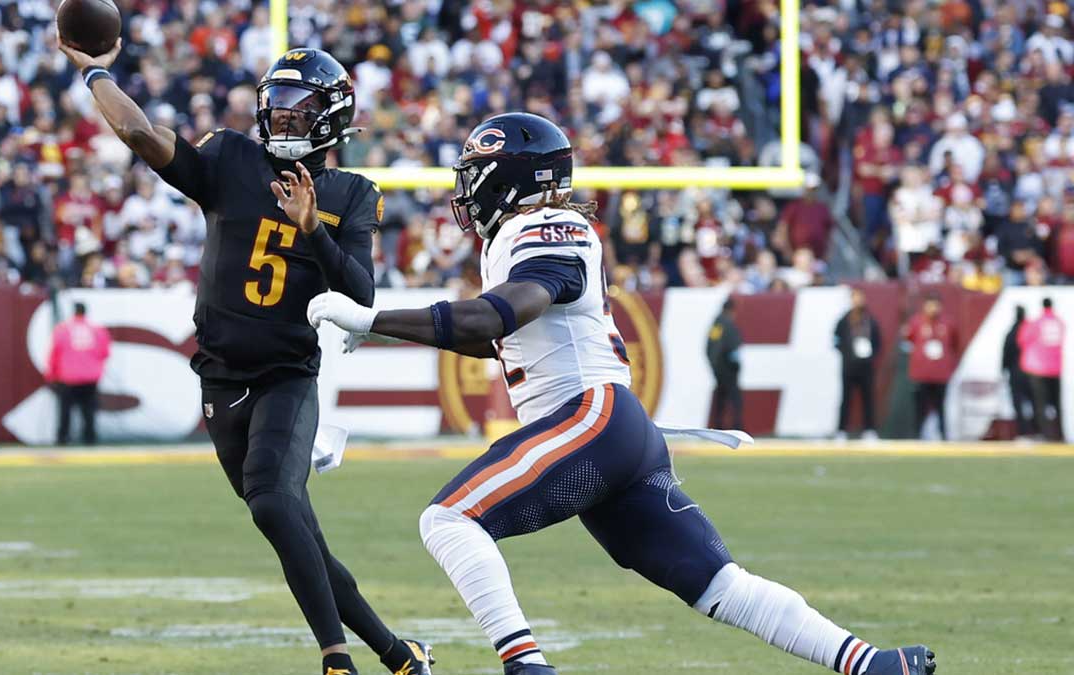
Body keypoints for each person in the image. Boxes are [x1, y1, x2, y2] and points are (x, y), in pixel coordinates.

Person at [308, 113, 936, 675]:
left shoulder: (546, 226)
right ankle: (869, 663)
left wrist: (373, 316)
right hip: (612, 432)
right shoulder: (532, 234)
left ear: (511, 179)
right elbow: (491, 338)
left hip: (590, 418)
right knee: (719, 585)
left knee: (447, 520)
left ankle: (527, 667)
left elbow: (493, 319)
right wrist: (387, 327)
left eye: (477, 175)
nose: (465, 191)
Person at [57, 40, 432, 675]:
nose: (283, 119)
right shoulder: (230, 157)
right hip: (221, 377)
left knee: (272, 503)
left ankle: (337, 661)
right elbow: (140, 133)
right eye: (277, 106)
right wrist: (93, 70)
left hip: (287, 376)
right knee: (296, 532)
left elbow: (361, 295)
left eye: (298, 108)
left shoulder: (351, 192)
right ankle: (402, 657)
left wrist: (313, 227)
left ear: (333, 116)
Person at [46, 302, 111, 445]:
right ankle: (90, 438)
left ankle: (63, 438)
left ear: (74, 312)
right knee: (88, 410)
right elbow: (105, 353)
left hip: (68, 376)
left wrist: (51, 374)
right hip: (90, 376)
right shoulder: (98, 330)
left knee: (65, 410)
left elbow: (55, 353)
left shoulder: (62, 329)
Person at [904, 295, 959, 440]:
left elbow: (954, 343)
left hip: (941, 373)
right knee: (919, 407)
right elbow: (907, 340)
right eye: (930, 305)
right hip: (921, 373)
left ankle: (943, 435)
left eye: (935, 305)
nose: (933, 309)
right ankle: (916, 435)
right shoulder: (916, 322)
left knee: (941, 406)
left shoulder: (948, 323)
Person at [834, 287, 883, 440]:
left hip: (866, 367)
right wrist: (847, 353)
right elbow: (836, 340)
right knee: (846, 399)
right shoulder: (844, 320)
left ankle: (869, 430)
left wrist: (870, 355)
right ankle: (841, 430)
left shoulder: (870, 320)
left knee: (868, 399)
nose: (858, 301)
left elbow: (878, 342)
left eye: (860, 297)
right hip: (849, 366)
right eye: (855, 297)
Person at [1018, 298, 1065, 441]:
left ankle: (1046, 434)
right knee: (1057, 404)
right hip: (1056, 369)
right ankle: (1059, 434)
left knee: (1040, 404)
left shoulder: (1036, 323)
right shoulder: (1059, 323)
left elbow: (1022, 340)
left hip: (1038, 369)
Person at [706, 298, 743, 430]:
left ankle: (718, 426)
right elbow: (732, 347)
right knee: (735, 399)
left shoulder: (717, 324)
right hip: (727, 368)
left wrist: (714, 366)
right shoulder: (727, 323)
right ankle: (737, 426)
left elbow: (711, 347)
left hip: (718, 368)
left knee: (721, 398)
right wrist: (735, 365)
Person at [1002, 306, 1034, 438]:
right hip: (1031, 371)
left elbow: (1006, 352)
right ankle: (1035, 429)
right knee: (1034, 402)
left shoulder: (1013, 331)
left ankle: (1023, 430)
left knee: (1018, 402)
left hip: (1016, 372)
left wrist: (1003, 368)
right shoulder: (1030, 330)